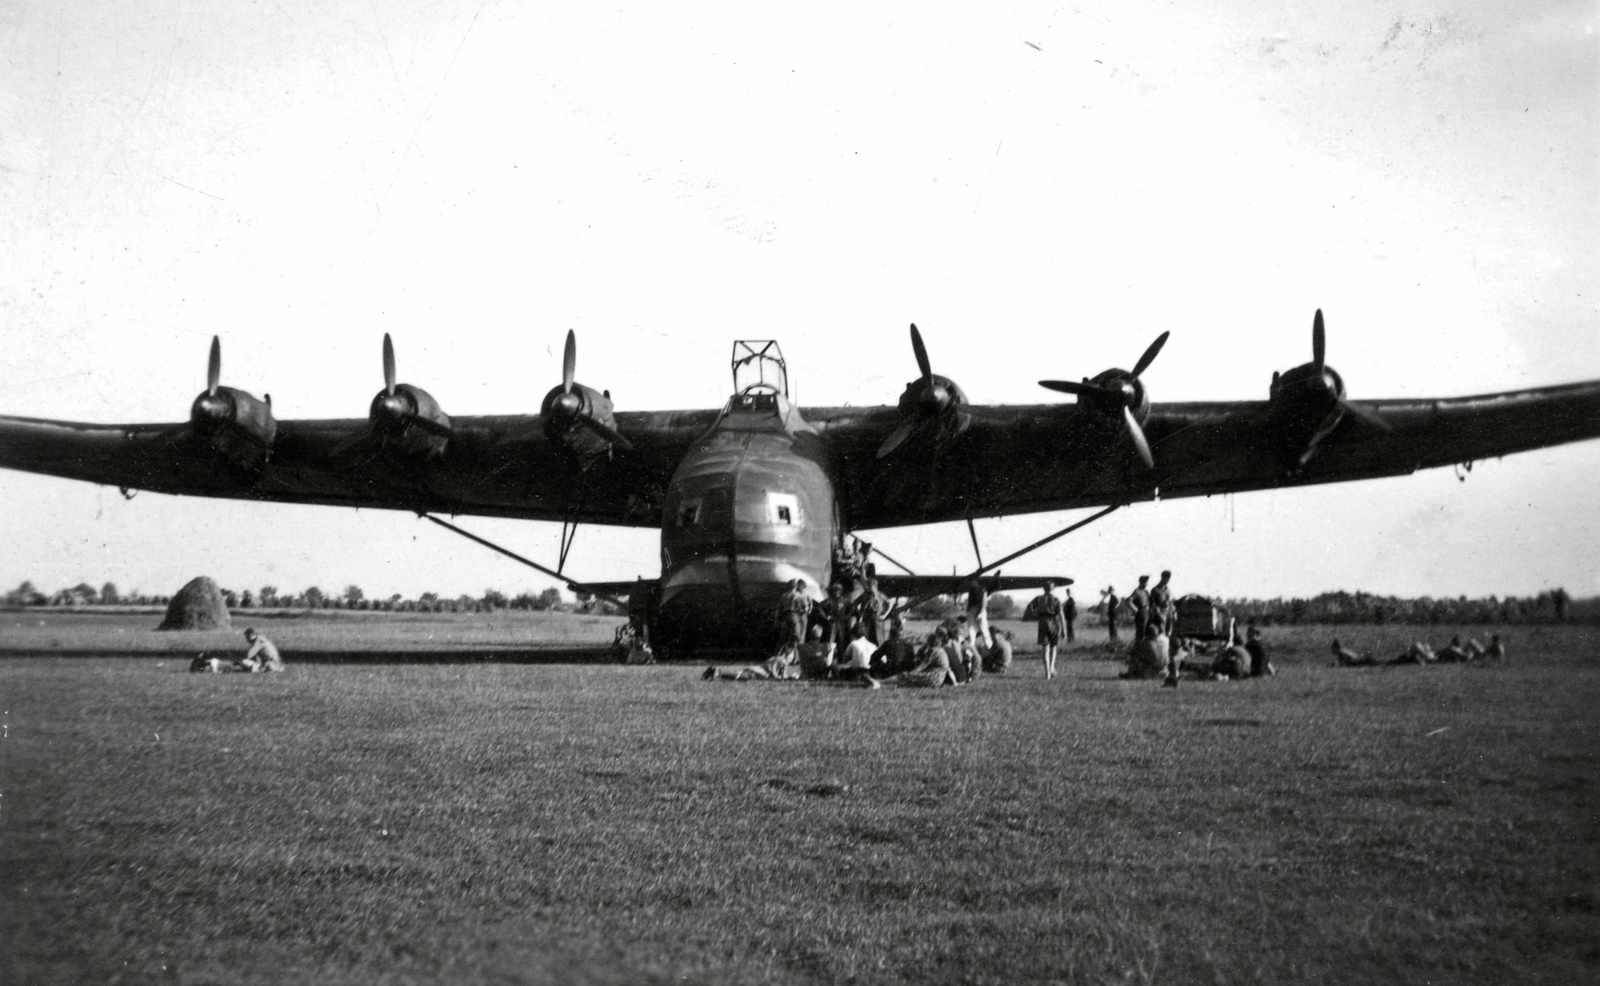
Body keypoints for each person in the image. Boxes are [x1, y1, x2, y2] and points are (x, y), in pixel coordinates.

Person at [1026, 580, 1067, 679]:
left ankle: (1047, 672)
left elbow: (1030, 607)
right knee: (1053, 646)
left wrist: (1035, 613)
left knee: (1045, 648)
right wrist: (1064, 629)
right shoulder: (1056, 600)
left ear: (1044, 588)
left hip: (1042, 622)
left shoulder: (1038, 599)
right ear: (1053, 589)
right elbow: (1061, 615)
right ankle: (1052, 667)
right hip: (1054, 622)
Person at [777, 579, 813, 652]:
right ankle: (796, 655)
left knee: (785, 637)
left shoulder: (784, 595)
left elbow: (778, 609)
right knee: (798, 637)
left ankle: (780, 654)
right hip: (796, 617)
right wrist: (806, 610)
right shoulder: (799, 596)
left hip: (789, 616)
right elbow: (806, 607)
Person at [853, 577, 889, 646]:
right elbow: (855, 603)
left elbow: (890, 603)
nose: (868, 588)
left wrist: (885, 614)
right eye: (868, 586)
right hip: (866, 617)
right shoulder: (865, 595)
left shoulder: (880, 595)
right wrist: (860, 613)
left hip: (877, 617)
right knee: (866, 636)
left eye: (870, 586)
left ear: (875, 586)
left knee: (878, 637)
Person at [965, 581, 993, 650]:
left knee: (984, 630)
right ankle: (971, 648)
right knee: (971, 631)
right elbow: (969, 601)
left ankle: (989, 647)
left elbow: (984, 601)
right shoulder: (971, 591)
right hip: (973, 610)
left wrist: (981, 612)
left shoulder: (982, 591)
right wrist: (968, 611)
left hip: (980, 610)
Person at [1151, 571, 1175, 637]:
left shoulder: (1167, 590)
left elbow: (1170, 602)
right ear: (1162, 578)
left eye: (1168, 579)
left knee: (1169, 633)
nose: (1167, 580)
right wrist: (1158, 614)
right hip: (1159, 614)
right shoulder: (1155, 590)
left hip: (1168, 613)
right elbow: (1153, 604)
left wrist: (1173, 612)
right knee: (1160, 632)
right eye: (1166, 578)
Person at [1128, 576, 1151, 642]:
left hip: (1147, 612)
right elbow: (1129, 600)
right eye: (1145, 582)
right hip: (1141, 613)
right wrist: (1135, 609)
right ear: (1141, 582)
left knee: (1146, 632)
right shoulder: (1137, 591)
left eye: (1147, 582)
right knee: (1141, 633)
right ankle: (1138, 649)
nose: (1146, 583)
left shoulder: (1146, 591)